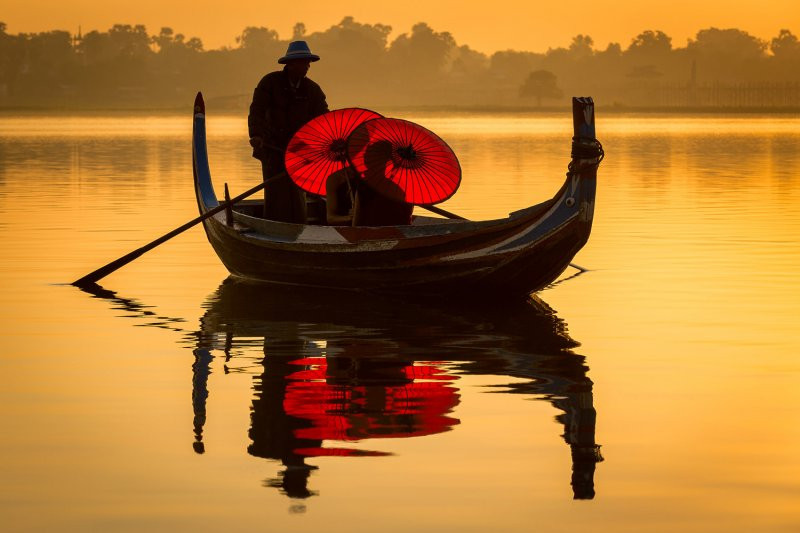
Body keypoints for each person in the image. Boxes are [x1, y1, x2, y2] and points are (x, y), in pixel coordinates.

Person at [248, 41, 329, 223]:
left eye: (308, 63)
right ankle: (275, 226)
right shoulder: (270, 83)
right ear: (290, 64)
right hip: (272, 148)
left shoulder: (313, 90)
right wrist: (256, 135)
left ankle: (298, 227)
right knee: (276, 191)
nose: (307, 66)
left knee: (298, 191)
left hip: (300, 150)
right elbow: (257, 111)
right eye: (303, 62)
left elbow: (323, 119)